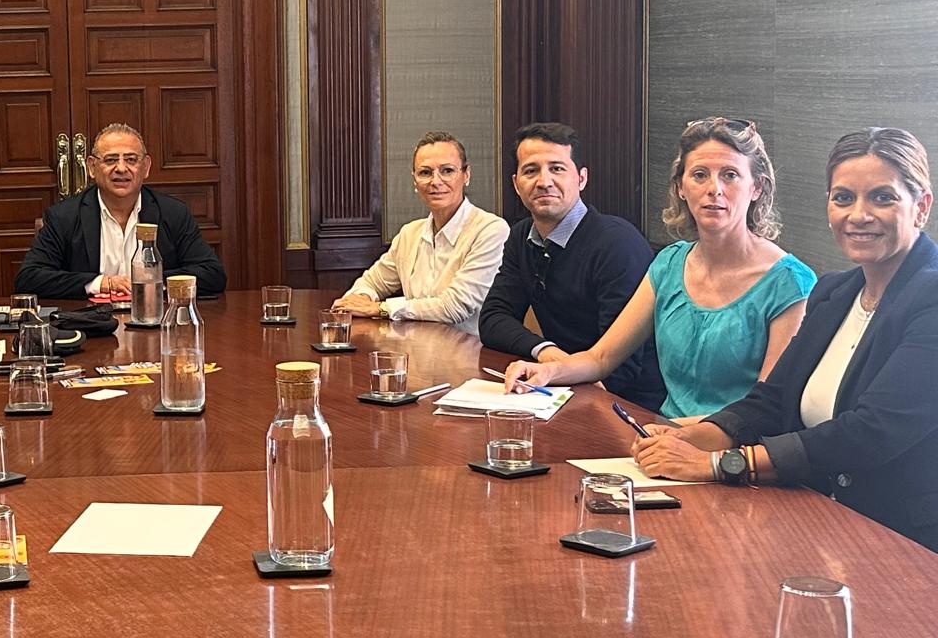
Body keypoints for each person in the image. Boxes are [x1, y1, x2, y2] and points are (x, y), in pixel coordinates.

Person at [634, 128, 938, 551]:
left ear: (921, 207)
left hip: (900, 539)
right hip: (812, 515)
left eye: (882, 197)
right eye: (843, 197)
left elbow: (871, 433)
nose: (859, 215)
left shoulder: (931, 299)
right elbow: (773, 398)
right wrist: (695, 436)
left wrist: (722, 464)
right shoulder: (834, 291)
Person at [505, 118, 814, 417]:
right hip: (662, 434)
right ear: (681, 187)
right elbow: (600, 358)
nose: (714, 189)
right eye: (699, 175)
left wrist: (673, 433)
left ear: (757, 188)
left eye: (730, 175)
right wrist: (546, 370)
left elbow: (767, 409)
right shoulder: (670, 262)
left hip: (733, 452)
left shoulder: (789, 281)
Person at [478, 121, 665, 410]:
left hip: (629, 404)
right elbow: (493, 319)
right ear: (516, 184)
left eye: (557, 168)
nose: (544, 181)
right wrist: (546, 353)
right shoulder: (521, 237)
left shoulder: (617, 243)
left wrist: (562, 372)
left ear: (581, 178)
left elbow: (624, 367)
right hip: (564, 389)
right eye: (531, 170)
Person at [14, 122, 227, 299]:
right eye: (110, 160)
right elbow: (29, 279)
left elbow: (212, 275)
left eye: (131, 160)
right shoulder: (64, 217)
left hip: (157, 326)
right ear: (92, 167)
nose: (122, 168)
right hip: (90, 328)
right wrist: (103, 283)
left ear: (146, 167)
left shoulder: (173, 214)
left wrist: (148, 282)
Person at [333, 131, 510, 335]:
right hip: (415, 352)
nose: (436, 181)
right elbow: (371, 282)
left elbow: (455, 307)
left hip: (471, 355)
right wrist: (362, 298)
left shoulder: (491, 230)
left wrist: (381, 308)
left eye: (447, 171)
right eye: (425, 172)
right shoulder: (410, 233)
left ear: (466, 174)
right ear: (414, 181)